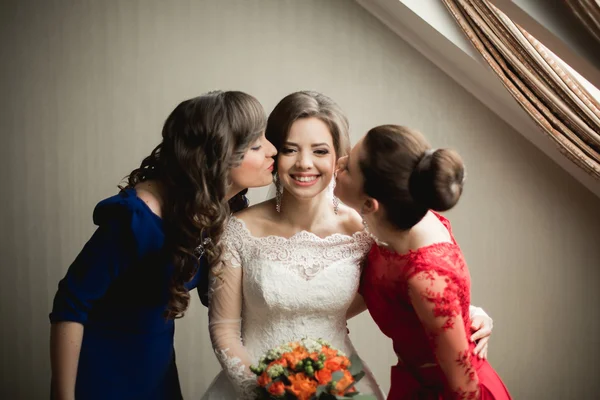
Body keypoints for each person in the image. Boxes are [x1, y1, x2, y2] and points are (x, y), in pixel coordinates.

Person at [202, 92, 492, 399]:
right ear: (273, 153)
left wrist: (471, 314)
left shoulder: (366, 227)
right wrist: (264, 392)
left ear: (338, 157)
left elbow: (415, 278)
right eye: (290, 150)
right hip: (255, 383)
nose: (304, 164)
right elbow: (224, 331)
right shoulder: (237, 230)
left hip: (341, 385)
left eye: (320, 151)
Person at [49, 91, 277, 400]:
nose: (272, 150)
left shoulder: (224, 208)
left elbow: (219, 297)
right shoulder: (136, 219)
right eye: (256, 145)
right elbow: (71, 303)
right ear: (217, 157)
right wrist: (64, 396)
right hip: (102, 373)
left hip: (157, 370)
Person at [334, 124, 511, 399]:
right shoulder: (399, 219)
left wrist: (470, 316)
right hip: (411, 381)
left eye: (348, 168)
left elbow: (464, 390)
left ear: (370, 205)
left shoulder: (426, 276)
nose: (339, 162)